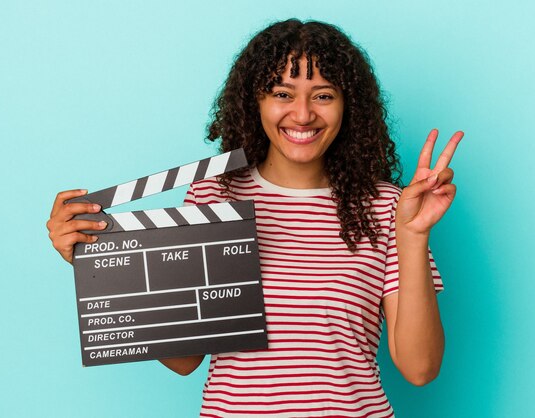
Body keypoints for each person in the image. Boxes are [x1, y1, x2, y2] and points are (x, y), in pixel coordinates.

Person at [47, 19, 463, 417]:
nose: (302, 115)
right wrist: (99, 266)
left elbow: (419, 368)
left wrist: (412, 234)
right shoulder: (214, 195)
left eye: (323, 95)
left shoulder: (385, 207)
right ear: (255, 102)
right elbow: (184, 359)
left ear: (347, 106)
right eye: (282, 93)